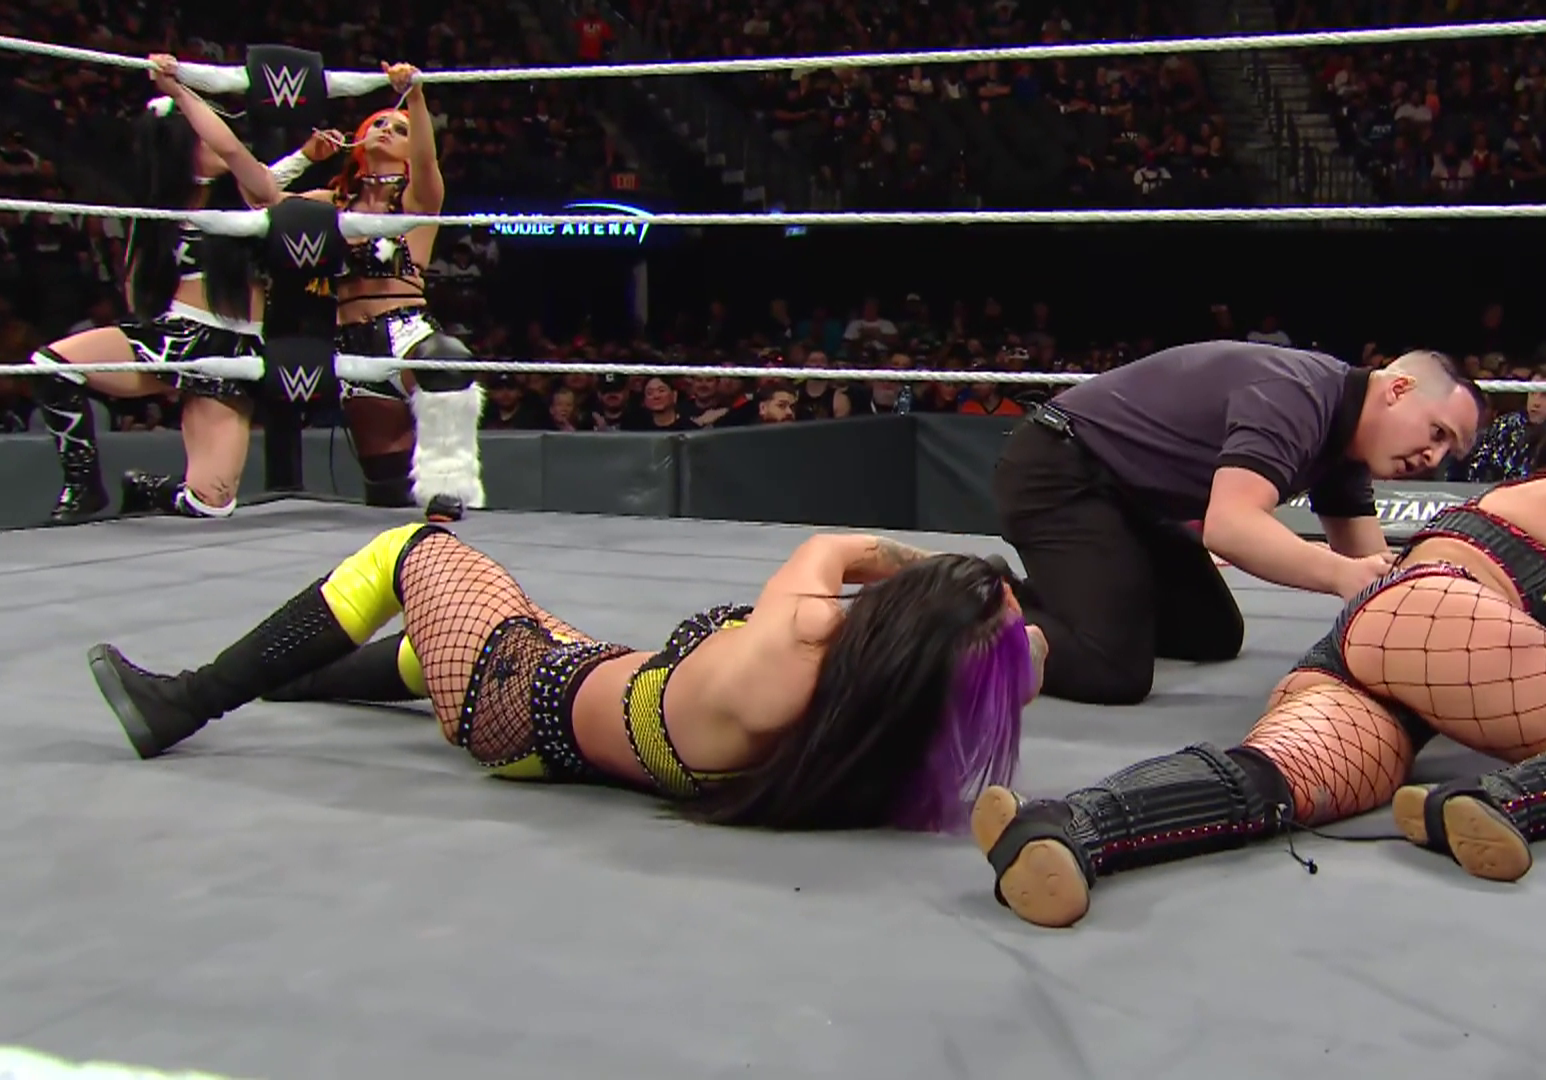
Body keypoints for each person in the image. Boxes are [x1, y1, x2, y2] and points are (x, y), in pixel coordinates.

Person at [972, 404, 1546, 928]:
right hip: (1439, 622)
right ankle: (1499, 802)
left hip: (1368, 641)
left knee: (1275, 779)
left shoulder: (1502, 504)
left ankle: (1073, 823)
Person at [88, 525, 1042, 833]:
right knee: (434, 646)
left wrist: (937, 569)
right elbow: (1025, 656)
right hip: (575, 702)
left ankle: (185, 700)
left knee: (414, 552)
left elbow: (839, 546)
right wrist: (990, 619)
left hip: (524, 700)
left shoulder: (794, 648)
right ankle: (296, 677)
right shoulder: (905, 710)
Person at [992, 341, 1485, 706]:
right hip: (1058, 473)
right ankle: (977, 605)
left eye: (1449, 450)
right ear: (1398, 389)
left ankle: (1065, 597)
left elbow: (1372, 569)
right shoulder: (1298, 396)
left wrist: (1437, 625)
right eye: (1437, 432)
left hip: (1129, 501)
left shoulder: (1347, 446)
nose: (1433, 457)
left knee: (1214, 633)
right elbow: (1230, 527)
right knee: (1113, 670)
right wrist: (1341, 575)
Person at [29, 61, 339, 524]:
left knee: (212, 502)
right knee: (50, 365)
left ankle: (149, 489)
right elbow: (136, 283)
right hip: (173, 336)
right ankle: (82, 485)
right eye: (199, 135)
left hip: (230, 347)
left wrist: (181, 90)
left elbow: (240, 158)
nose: (215, 139)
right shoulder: (161, 213)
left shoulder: (245, 197)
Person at [313, 62, 483, 514]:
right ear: (357, 141)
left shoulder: (414, 202)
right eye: (378, 124)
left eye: (400, 129)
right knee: (388, 492)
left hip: (406, 333)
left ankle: (451, 489)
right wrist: (306, 157)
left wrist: (416, 95)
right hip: (351, 345)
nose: (388, 129)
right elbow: (262, 197)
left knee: (447, 361)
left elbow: (427, 163)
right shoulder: (331, 205)